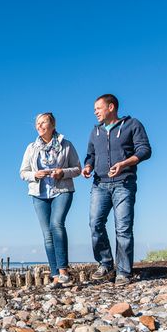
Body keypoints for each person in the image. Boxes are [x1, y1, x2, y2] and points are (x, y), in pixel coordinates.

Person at [82, 94, 152, 285]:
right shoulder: (95, 131)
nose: (95, 112)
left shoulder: (132, 124)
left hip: (124, 183)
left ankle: (123, 272)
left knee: (123, 228)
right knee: (95, 224)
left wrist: (124, 164)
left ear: (111, 107)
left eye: (98, 108)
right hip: (99, 184)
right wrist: (88, 166)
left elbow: (145, 150)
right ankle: (105, 263)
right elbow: (90, 155)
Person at [20, 112, 81, 286]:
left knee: (56, 225)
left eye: (43, 122)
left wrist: (63, 172)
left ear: (53, 125)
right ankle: (55, 276)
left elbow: (77, 168)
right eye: (37, 123)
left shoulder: (66, 145)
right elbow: (23, 173)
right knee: (47, 234)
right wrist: (35, 174)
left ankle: (64, 272)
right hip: (39, 194)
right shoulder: (31, 148)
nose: (39, 126)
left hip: (62, 190)